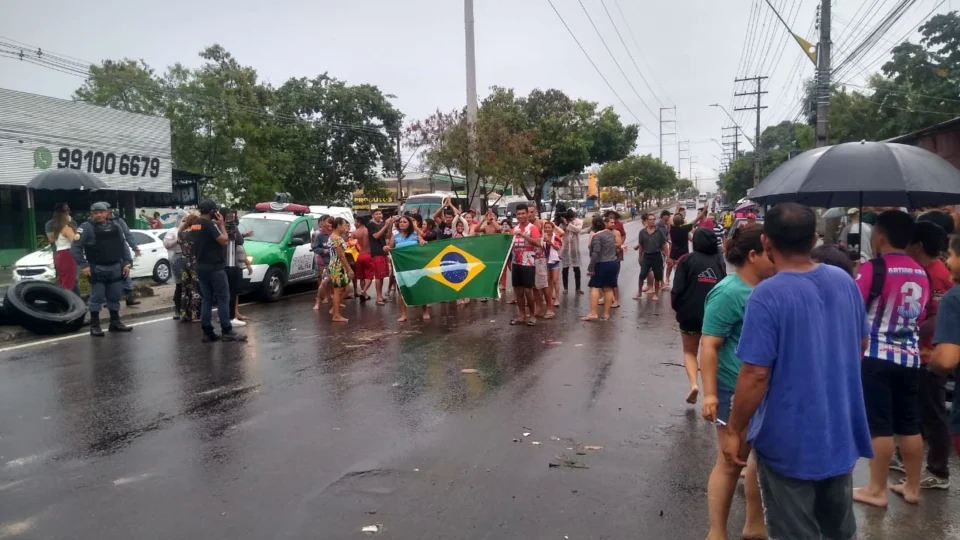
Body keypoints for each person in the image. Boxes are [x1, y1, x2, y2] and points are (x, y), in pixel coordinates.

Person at [724, 203, 872, 539]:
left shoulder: (766, 295)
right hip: (839, 430)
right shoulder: (844, 280)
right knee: (838, 530)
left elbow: (755, 374)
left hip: (789, 441)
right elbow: (861, 343)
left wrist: (735, 428)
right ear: (814, 239)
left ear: (766, 242)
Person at [700, 224, 773, 540]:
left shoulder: (770, 288)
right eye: (770, 253)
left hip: (765, 390)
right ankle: (717, 531)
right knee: (731, 462)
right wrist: (710, 395)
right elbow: (709, 345)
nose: (776, 258)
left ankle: (754, 524)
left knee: (760, 460)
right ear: (753, 255)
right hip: (734, 389)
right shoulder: (728, 292)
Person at [853, 210, 931, 507]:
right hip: (910, 359)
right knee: (910, 424)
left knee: (880, 424)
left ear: (881, 236)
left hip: (877, 356)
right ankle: (912, 487)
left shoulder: (873, 269)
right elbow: (920, 315)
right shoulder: (921, 271)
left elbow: (854, 307)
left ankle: (876, 489)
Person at [894, 220, 953, 490]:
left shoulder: (936, 274)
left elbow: (937, 317)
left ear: (917, 245)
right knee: (916, 409)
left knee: (933, 413)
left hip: (931, 355)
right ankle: (906, 458)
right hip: (919, 353)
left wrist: (910, 329)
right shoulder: (923, 271)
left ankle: (938, 470)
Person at [670, 228, 725, 405]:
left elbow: (677, 289)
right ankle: (712, 391)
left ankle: (694, 384)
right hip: (714, 314)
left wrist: (678, 308)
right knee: (712, 352)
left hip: (690, 314)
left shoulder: (686, 260)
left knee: (689, 352)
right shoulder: (719, 262)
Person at [71, 202, 134, 337]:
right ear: (92, 214)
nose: (98, 215)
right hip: (97, 268)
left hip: (115, 267)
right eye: (95, 213)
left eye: (101, 212)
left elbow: (123, 245)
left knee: (115, 296)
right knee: (97, 297)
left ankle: (115, 323)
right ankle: (95, 325)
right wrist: (84, 265)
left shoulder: (116, 226)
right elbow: (75, 247)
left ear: (107, 213)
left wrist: (127, 262)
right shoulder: (86, 228)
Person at [192, 200, 246, 342]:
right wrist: (221, 224)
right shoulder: (209, 225)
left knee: (207, 299)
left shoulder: (195, 224)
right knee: (223, 298)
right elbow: (224, 240)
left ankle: (207, 332)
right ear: (212, 212)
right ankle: (227, 330)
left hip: (201, 266)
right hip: (214, 267)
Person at [928, 234, 960, 463]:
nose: (947, 261)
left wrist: (932, 360)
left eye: (950, 255)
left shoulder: (954, 299)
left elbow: (946, 359)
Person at [388, 216, 426, 322]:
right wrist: (386, 248)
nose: (402, 223)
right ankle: (403, 314)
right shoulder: (395, 236)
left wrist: (423, 243)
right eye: (400, 222)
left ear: (409, 224)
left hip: (415, 267)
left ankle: (425, 311)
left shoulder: (415, 234)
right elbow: (390, 248)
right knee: (402, 291)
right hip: (401, 268)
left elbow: (423, 242)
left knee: (420, 288)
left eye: (404, 222)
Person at [508, 204, 542, 326]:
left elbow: (538, 243)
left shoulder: (532, 228)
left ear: (527, 214)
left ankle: (532, 316)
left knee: (528, 290)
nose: (521, 216)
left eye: (523, 213)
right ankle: (522, 315)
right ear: (516, 215)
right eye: (519, 214)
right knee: (518, 291)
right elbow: (509, 245)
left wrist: (523, 235)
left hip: (528, 263)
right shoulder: (514, 228)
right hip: (516, 262)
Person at [583, 216, 619, 322]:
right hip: (613, 263)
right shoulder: (610, 234)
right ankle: (606, 314)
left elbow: (596, 253)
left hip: (601, 264)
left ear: (593, 226)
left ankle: (593, 313)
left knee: (595, 287)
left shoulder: (597, 237)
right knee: (608, 288)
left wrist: (591, 267)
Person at [221, 208, 249, 328]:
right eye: (230, 215)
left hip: (220, 264)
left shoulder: (216, 227)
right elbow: (240, 241)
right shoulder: (227, 227)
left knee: (223, 293)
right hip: (230, 263)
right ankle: (230, 317)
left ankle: (225, 316)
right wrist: (233, 226)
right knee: (232, 291)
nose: (232, 217)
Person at [635, 213, 669, 302]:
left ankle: (656, 294)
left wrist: (668, 256)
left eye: (654, 219)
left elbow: (664, 244)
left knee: (658, 275)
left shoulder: (659, 231)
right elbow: (641, 245)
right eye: (650, 219)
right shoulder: (642, 232)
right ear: (647, 221)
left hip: (657, 255)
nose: (653, 221)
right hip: (646, 255)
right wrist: (640, 257)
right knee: (642, 274)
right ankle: (639, 292)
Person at [667, 209, 705, 288]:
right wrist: (705, 209)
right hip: (683, 254)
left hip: (674, 254)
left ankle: (673, 283)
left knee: (675, 269)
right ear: (682, 221)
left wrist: (677, 208)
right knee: (682, 270)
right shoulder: (685, 228)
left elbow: (672, 219)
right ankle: (681, 284)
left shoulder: (672, 227)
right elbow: (697, 218)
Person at [327, 217, 354, 323]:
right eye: (344, 225)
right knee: (338, 290)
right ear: (338, 226)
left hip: (336, 264)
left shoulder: (334, 236)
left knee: (346, 288)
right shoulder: (336, 238)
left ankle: (335, 309)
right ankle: (336, 315)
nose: (345, 227)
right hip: (338, 265)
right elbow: (341, 255)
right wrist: (349, 269)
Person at [163, 210, 188, 319]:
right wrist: (177, 240)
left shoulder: (190, 230)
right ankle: (178, 309)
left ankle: (187, 309)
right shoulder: (173, 231)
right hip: (177, 259)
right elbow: (167, 244)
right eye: (183, 220)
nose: (184, 222)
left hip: (189, 258)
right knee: (180, 284)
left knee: (189, 285)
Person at [177, 215, 202, 322]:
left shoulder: (180, 233)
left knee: (185, 289)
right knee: (195, 288)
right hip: (193, 261)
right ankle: (194, 315)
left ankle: (184, 314)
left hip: (183, 261)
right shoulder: (195, 232)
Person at [50, 205, 79, 295]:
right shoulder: (67, 229)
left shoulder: (57, 230)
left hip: (59, 254)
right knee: (69, 280)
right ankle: (69, 300)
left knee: (63, 279)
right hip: (67, 255)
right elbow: (75, 242)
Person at [367, 210, 393, 305]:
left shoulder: (382, 224)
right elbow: (376, 236)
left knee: (382, 275)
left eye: (380, 214)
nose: (379, 215)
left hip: (383, 252)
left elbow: (388, 236)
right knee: (378, 276)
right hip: (376, 252)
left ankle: (381, 295)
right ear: (372, 215)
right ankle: (378, 297)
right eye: (377, 214)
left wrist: (390, 225)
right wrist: (386, 225)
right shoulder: (371, 225)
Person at [541, 221, 562, 317]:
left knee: (555, 280)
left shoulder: (556, 236)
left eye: (549, 227)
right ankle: (549, 298)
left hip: (554, 260)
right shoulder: (542, 237)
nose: (547, 229)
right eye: (546, 227)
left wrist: (550, 242)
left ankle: (557, 299)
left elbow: (557, 248)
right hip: (546, 261)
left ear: (552, 228)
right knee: (548, 281)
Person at [559, 209, 583, 294]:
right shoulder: (562, 223)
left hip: (574, 249)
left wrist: (567, 224)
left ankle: (578, 288)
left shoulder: (579, 221)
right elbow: (560, 232)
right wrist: (563, 224)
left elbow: (578, 230)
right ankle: (565, 288)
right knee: (565, 268)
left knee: (576, 268)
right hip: (565, 248)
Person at [312, 216, 334, 310]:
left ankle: (336, 302)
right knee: (323, 281)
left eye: (331, 223)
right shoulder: (320, 235)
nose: (330, 225)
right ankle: (318, 300)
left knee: (338, 284)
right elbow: (315, 248)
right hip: (326, 262)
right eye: (328, 222)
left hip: (336, 262)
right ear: (323, 223)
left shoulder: (335, 234)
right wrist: (324, 251)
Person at [351, 217, 373, 302]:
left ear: (359, 223)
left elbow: (351, 246)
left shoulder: (354, 233)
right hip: (368, 254)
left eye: (355, 222)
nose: (354, 224)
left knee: (361, 277)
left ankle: (365, 294)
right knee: (370, 276)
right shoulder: (368, 231)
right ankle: (364, 291)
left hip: (358, 256)